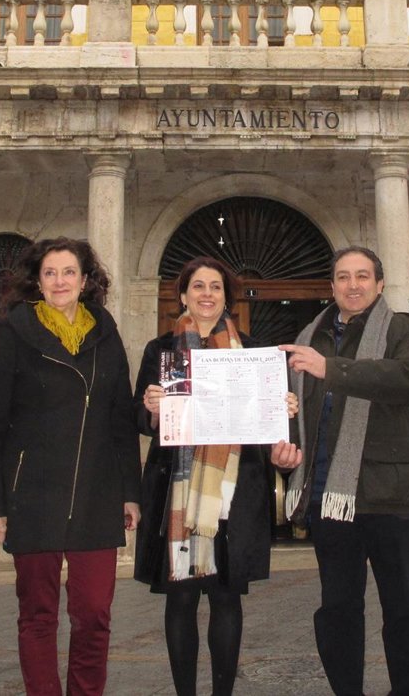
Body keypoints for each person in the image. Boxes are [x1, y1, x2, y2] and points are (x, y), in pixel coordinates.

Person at [0, 237, 141, 696]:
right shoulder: (16, 331)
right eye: (50, 273)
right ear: (38, 281)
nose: (60, 281)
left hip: (96, 493)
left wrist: (131, 492)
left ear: (85, 281)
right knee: (37, 614)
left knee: (94, 614)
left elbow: (121, 420)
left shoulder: (105, 332)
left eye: (69, 272)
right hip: (33, 495)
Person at [133, 256, 302, 696]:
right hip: (175, 491)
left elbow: (268, 428)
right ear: (183, 295)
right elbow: (138, 419)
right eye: (198, 286)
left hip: (235, 491)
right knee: (181, 598)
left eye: (215, 287)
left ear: (227, 298)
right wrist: (152, 408)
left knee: (227, 597)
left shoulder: (254, 353)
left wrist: (281, 411)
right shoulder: (161, 351)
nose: (206, 294)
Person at [280, 246, 409, 696]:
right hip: (330, 497)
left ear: (380, 284)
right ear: (332, 286)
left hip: (393, 497)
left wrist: (329, 369)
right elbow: (297, 411)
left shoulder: (406, 330)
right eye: (344, 277)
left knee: (405, 610)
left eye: (363, 276)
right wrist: (283, 445)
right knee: (337, 611)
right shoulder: (311, 336)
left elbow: (403, 379)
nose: (353, 285)